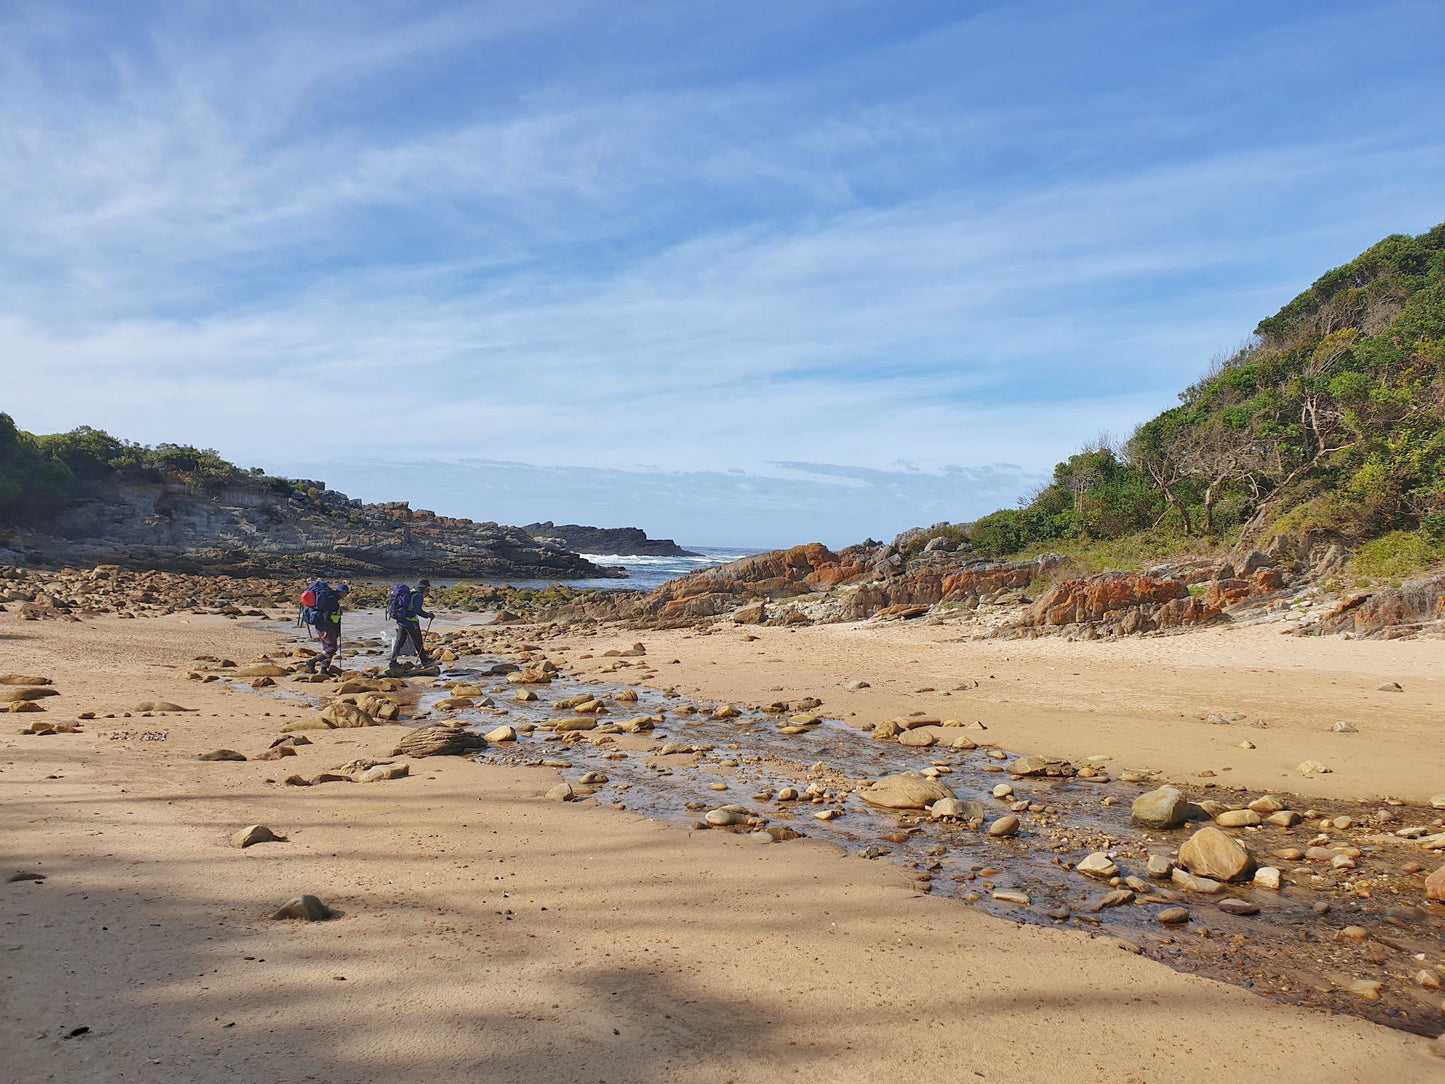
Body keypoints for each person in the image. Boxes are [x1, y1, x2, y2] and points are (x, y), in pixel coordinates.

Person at [389, 578, 434, 667]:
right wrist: (428, 615)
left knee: (399, 642)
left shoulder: (411, 591)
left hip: (401, 620)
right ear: (423, 587)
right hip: (411, 621)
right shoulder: (418, 595)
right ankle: (424, 661)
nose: (427, 590)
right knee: (418, 642)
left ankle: (393, 662)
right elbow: (417, 610)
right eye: (426, 588)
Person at [306, 581, 349, 673]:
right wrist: (326, 630)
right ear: (341, 592)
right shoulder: (332, 600)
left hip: (323, 625)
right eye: (345, 593)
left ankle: (324, 670)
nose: (345, 596)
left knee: (327, 648)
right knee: (332, 648)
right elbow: (327, 615)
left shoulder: (331, 598)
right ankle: (312, 661)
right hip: (325, 626)